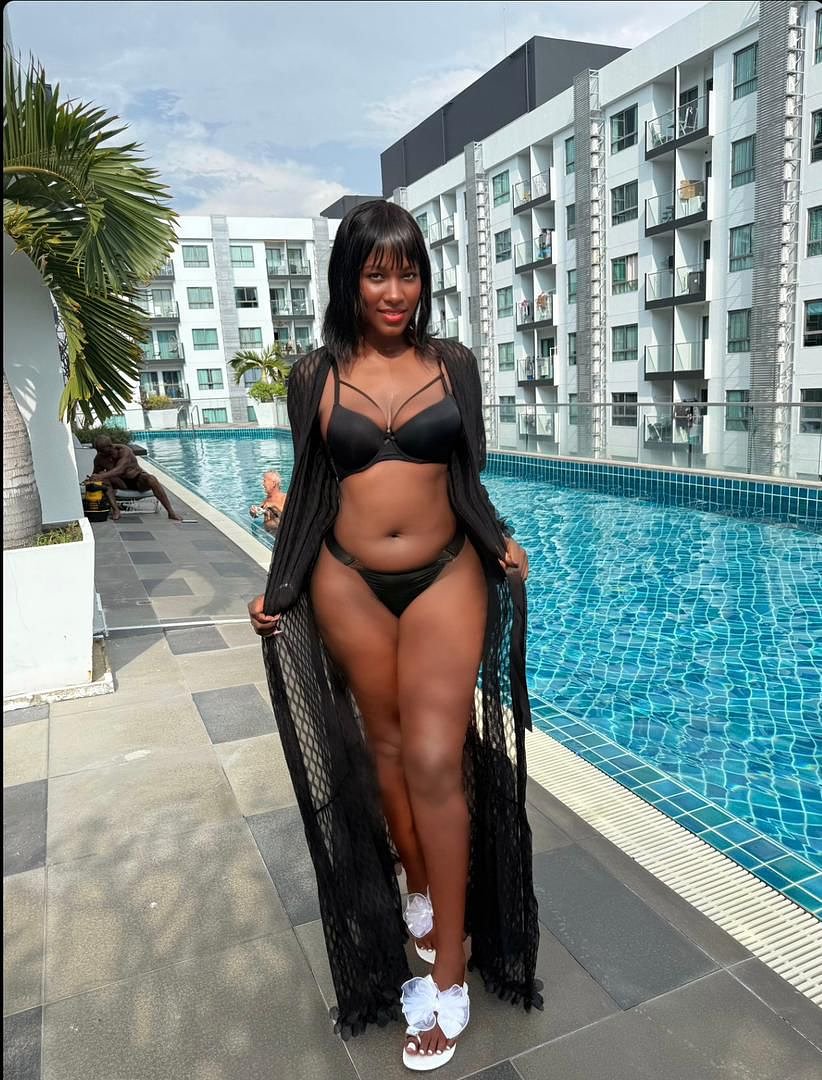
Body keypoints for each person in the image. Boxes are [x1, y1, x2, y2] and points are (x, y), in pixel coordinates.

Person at [248, 200, 541, 1071]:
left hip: (445, 572)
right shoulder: (315, 375)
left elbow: (465, 474)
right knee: (383, 750)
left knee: (434, 759)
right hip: (348, 581)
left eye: (408, 273)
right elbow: (311, 488)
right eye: (377, 274)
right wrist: (282, 582)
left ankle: (448, 971)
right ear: (350, 278)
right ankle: (419, 882)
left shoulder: (453, 365)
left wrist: (497, 538)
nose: (395, 291)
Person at [88, 436, 181, 521]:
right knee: (103, 478)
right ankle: (116, 510)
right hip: (120, 483)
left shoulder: (124, 450)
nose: (100, 453)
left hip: (137, 479)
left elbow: (120, 469)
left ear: (110, 446)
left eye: (102, 451)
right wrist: (94, 478)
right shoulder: (99, 458)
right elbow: (95, 475)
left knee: (152, 479)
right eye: (98, 451)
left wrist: (101, 476)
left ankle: (171, 512)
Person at [249, 470, 287, 536]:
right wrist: (253, 512)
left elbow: (289, 517)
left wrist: (274, 506)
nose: (263, 484)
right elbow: (256, 515)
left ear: (273, 483)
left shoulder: (284, 497)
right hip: (268, 535)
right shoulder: (266, 500)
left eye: (265, 481)